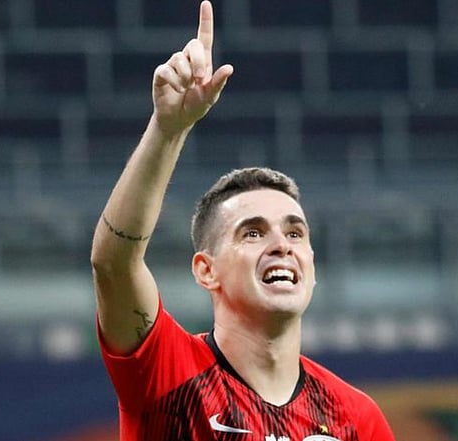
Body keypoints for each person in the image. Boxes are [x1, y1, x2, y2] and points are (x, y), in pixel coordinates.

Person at [90, 2, 395, 440]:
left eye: (295, 232)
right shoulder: (168, 374)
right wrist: (168, 129)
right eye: (253, 232)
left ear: (312, 265)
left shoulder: (356, 418)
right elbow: (114, 263)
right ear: (206, 270)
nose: (282, 245)